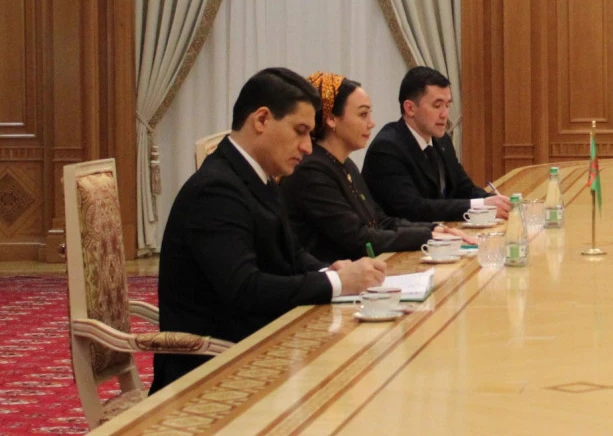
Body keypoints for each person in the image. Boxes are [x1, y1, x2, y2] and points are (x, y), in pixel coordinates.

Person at [152, 68, 386, 392]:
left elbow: (292, 253)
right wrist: (337, 283)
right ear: (261, 119)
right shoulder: (216, 190)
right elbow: (246, 289)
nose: (307, 147)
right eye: (300, 131)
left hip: (261, 346)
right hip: (212, 373)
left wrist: (331, 269)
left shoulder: (259, 175)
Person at [281, 72, 474, 263]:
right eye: (363, 114)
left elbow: (379, 220)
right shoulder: (311, 170)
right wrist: (427, 237)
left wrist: (434, 229)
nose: (371, 124)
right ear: (332, 119)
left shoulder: (345, 164)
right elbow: (359, 238)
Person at [363, 66, 509, 223]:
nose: (445, 114)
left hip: (439, 232)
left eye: (447, 105)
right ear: (410, 108)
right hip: (403, 236)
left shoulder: (442, 140)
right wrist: (480, 205)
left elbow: (464, 188)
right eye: (437, 106)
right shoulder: (387, 148)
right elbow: (413, 209)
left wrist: (495, 201)